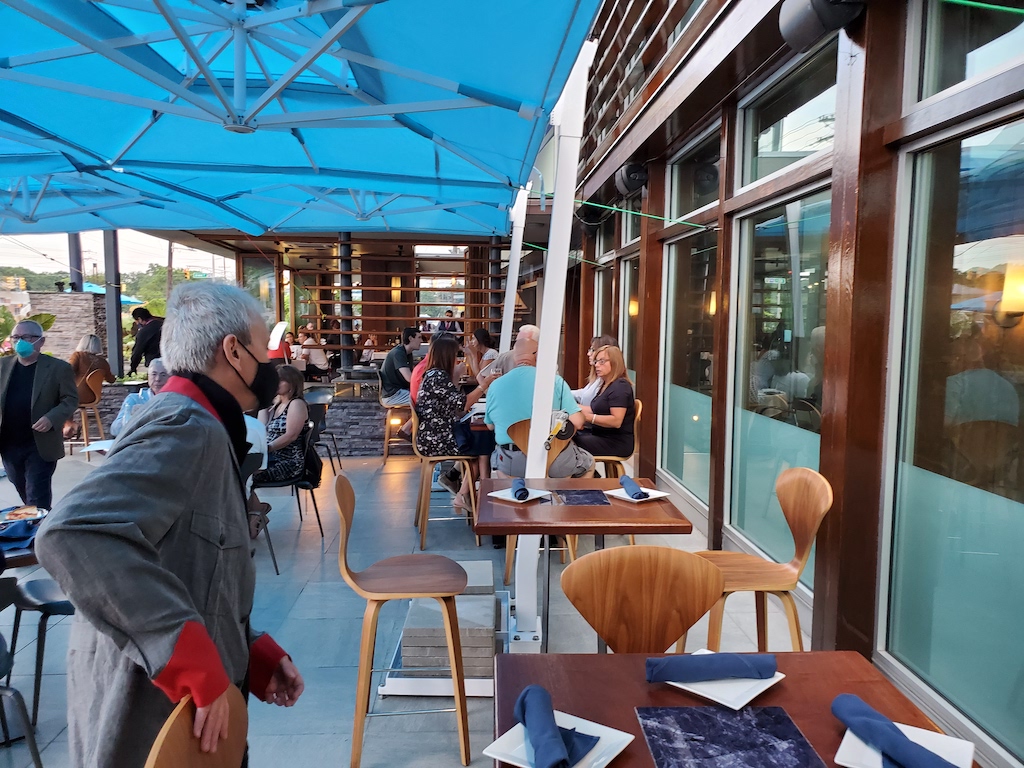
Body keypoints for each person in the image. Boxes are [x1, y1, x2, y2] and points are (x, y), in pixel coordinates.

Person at [36, 282, 304, 767]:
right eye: (262, 348)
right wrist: (190, 661)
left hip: (184, 711)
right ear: (233, 351)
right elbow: (74, 534)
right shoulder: (187, 426)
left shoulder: (205, 424)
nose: (271, 362)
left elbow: (191, 565)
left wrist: (247, 651)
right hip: (154, 716)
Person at [484, 337, 594, 478]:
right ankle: (568, 493)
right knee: (589, 464)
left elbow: (490, 426)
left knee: (498, 460)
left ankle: (514, 492)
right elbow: (578, 422)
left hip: (511, 464)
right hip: (554, 460)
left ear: (515, 357)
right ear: (537, 355)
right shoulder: (555, 381)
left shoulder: (495, 386)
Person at [0, 320, 77, 510]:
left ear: (41, 341)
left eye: (26, 337)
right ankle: (41, 522)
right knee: (24, 490)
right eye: (16, 337)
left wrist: (52, 418)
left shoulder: (58, 368)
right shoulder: (3, 366)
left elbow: (70, 399)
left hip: (40, 443)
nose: (20, 342)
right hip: (9, 443)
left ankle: (39, 526)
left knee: (36, 497)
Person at [415, 335, 492, 511]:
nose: (457, 360)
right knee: (482, 446)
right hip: (436, 439)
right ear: (447, 355)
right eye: (456, 355)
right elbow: (462, 405)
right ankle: (469, 496)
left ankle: (465, 490)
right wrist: (484, 385)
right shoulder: (438, 376)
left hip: (433, 434)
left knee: (480, 443)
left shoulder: (434, 374)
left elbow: (455, 405)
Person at [574, 345, 637, 459]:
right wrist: (572, 407)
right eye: (596, 361)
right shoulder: (605, 385)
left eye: (602, 361)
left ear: (615, 363)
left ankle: (583, 470)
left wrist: (587, 417)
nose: (597, 365)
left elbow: (616, 421)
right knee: (567, 436)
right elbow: (593, 409)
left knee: (570, 442)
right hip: (600, 434)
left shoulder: (620, 387)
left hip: (615, 442)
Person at [254, 365, 308, 484]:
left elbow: (291, 436)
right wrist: (265, 398)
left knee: (243, 475)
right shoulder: (276, 405)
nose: (276, 383)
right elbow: (261, 428)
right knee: (238, 470)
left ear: (292, 383)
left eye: (281, 380)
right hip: (270, 457)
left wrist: (267, 448)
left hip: (287, 462)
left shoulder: (296, 404)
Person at [64, 333, 116, 439]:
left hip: (76, 395)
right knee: (66, 399)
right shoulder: (103, 362)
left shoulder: (78, 355)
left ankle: (70, 425)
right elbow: (111, 380)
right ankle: (68, 427)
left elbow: (68, 371)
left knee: (58, 398)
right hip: (93, 397)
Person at [110, 358, 169, 437]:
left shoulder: (175, 399)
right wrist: (130, 416)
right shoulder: (134, 399)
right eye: (154, 374)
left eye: (163, 375)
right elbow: (115, 430)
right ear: (148, 376)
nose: (158, 379)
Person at [380, 327, 423, 437]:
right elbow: (409, 378)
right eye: (419, 337)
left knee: (427, 399)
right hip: (392, 395)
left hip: (398, 391)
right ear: (411, 338)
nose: (421, 341)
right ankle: (406, 429)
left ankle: (411, 431)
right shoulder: (398, 353)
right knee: (426, 401)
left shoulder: (406, 353)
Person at [573, 334, 617, 407]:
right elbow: (583, 394)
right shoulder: (598, 378)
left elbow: (591, 406)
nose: (588, 354)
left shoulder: (614, 384)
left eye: (593, 350)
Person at [128, 306, 164, 375]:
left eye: (136, 321)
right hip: (170, 362)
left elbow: (137, 351)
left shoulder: (144, 332)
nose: (137, 324)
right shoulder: (164, 324)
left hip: (154, 364)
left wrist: (133, 368)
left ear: (139, 319)